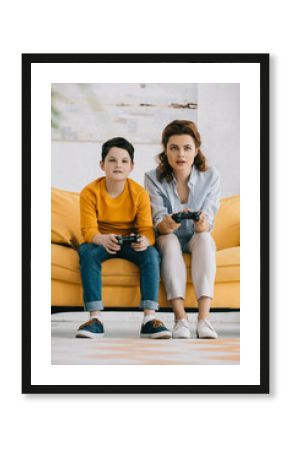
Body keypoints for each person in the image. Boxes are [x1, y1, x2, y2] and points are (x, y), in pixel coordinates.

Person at [76, 137, 171, 339]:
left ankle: (149, 318)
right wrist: (101, 239)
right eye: (112, 160)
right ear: (102, 165)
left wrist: (145, 240)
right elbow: (88, 231)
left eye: (124, 161)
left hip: (130, 241)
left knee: (151, 254)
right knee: (86, 252)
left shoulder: (139, 193)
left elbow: (146, 229)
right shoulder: (89, 192)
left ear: (131, 166)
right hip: (102, 240)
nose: (118, 165)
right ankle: (95, 318)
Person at [144, 120, 221, 339]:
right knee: (168, 242)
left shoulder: (211, 176)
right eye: (174, 148)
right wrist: (168, 222)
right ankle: (181, 319)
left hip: (197, 234)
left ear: (196, 150)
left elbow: (209, 218)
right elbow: (159, 222)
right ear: (165, 149)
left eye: (187, 148)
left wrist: (202, 223)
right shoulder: (152, 177)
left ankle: (204, 320)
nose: (181, 154)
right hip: (170, 236)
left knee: (205, 238)